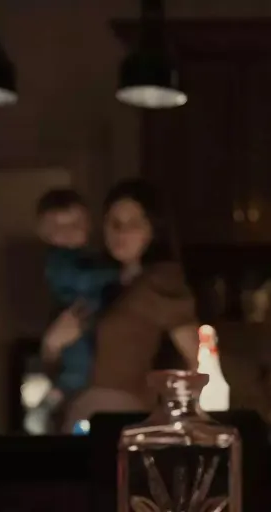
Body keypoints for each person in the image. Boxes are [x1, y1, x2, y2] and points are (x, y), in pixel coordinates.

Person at [63, 180, 200, 429]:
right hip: (81, 412)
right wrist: (52, 345)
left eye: (133, 224)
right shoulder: (96, 282)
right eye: (113, 223)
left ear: (153, 230)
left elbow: (197, 357)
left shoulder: (160, 281)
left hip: (125, 416)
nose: (120, 232)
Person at [36, 188, 119, 407]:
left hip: (87, 318)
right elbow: (84, 280)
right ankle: (63, 389)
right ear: (44, 233)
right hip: (75, 318)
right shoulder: (58, 261)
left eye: (75, 225)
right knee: (78, 358)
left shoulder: (87, 257)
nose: (68, 233)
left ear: (88, 225)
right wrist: (116, 273)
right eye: (58, 227)